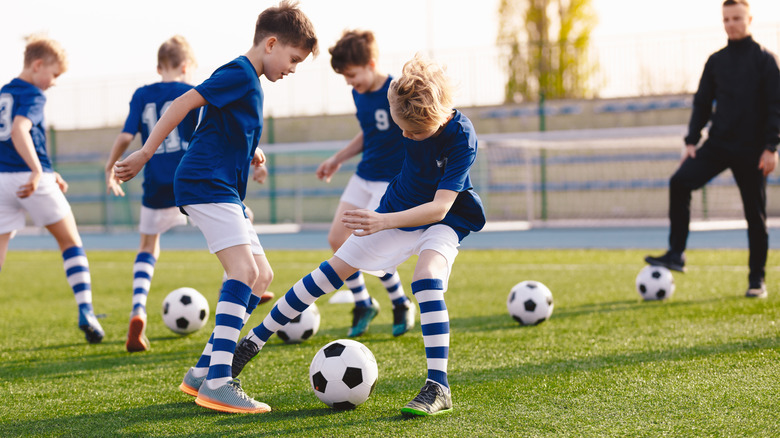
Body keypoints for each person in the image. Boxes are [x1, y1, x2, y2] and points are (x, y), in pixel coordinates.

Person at [232, 55, 486, 417]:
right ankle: (254, 340)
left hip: (443, 218)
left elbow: (440, 209)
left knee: (427, 278)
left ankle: (437, 386)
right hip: (398, 205)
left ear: (440, 117)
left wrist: (383, 222)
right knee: (331, 271)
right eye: (402, 129)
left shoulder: (462, 135)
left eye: (413, 133)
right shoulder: (405, 115)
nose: (406, 136)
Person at [114, 0, 318, 414]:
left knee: (261, 276)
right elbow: (183, 105)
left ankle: (203, 370)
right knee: (242, 271)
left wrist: (253, 154)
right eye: (293, 59)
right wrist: (146, 153)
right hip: (205, 183)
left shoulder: (248, 80)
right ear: (272, 43)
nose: (294, 68)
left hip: (220, 184)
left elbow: (220, 127)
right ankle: (220, 382)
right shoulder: (239, 72)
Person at [645, 0, 780, 299]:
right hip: (718, 144)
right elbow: (702, 103)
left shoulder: (766, 61)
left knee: (754, 215)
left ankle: (756, 280)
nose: (731, 24)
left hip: (752, 150)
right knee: (679, 182)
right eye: (726, 19)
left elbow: (775, 107)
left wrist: (771, 146)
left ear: (749, 19)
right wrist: (691, 141)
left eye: (737, 18)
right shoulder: (716, 61)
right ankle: (676, 253)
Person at [0, 35, 104, 344]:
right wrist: (36, 171)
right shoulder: (32, 93)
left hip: (2, 178)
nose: (54, 82)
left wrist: (46, 169)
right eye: (54, 74)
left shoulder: (4, 92)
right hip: (29, 180)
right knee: (71, 242)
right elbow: (20, 130)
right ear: (37, 65)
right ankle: (86, 310)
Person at [104, 35, 201, 353]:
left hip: (154, 182)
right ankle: (251, 284)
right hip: (188, 179)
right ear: (186, 66)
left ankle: (137, 309)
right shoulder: (190, 91)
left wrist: (110, 168)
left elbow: (125, 136)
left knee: (147, 247)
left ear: (160, 66)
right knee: (235, 226)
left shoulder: (142, 94)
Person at [317, 30, 413, 338]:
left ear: (371, 63)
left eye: (352, 75)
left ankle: (400, 303)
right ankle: (363, 302)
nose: (349, 81)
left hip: (390, 180)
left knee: (369, 245)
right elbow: (369, 133)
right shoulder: (358, 93)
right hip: (364, 174)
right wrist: (338, 158)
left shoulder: (398, 90)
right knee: (336, 239)